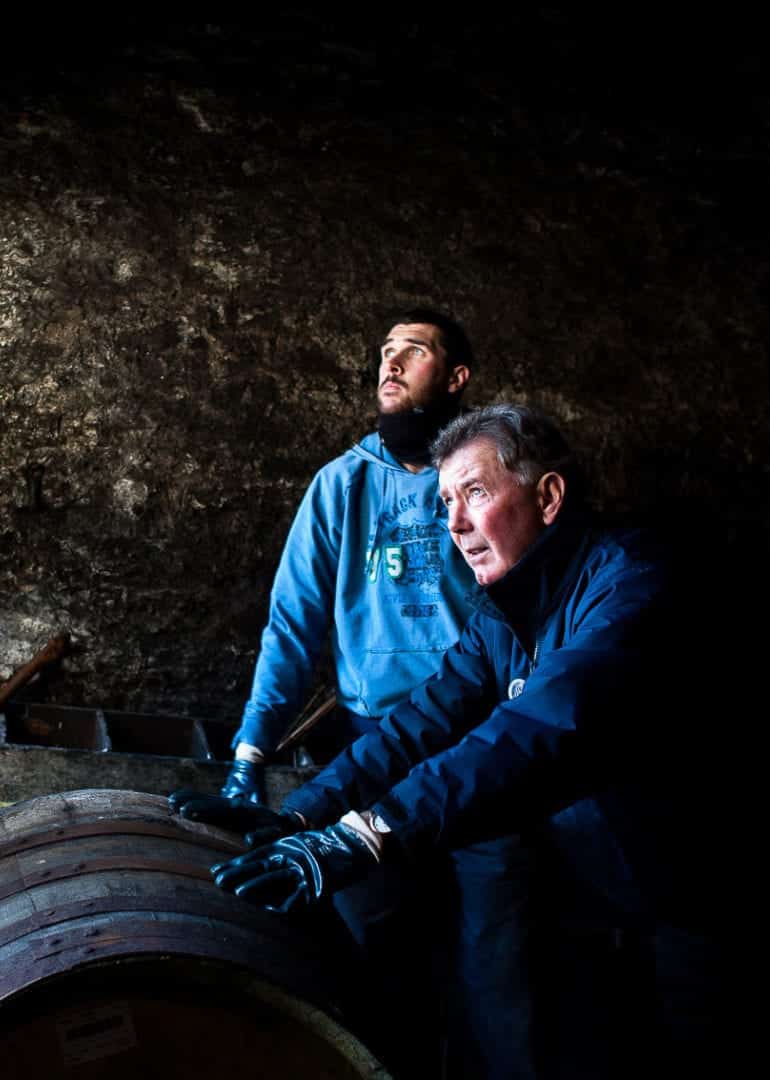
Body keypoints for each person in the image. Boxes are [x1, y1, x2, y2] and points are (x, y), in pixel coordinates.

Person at [177, 403, 770, 1077]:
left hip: (720, 900)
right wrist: (303, 811)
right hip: (617, 890)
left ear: (548, 497)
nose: (452, 523)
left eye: (475, 494)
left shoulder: (634, 584)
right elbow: (422, 721)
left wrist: (367, 834)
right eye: (446, 500)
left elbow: (543, 726)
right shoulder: (507, 614)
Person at [218, 311, 537, 1078]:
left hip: (487, 753)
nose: (389, 367)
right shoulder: (342, 486)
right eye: (384, 354)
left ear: (456, 378)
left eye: (413, 353)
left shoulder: (483, 488)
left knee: (500, 965)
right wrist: (250, 754)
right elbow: (292, 628)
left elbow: (521, 620)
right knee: (376, 958)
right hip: (379, 750)